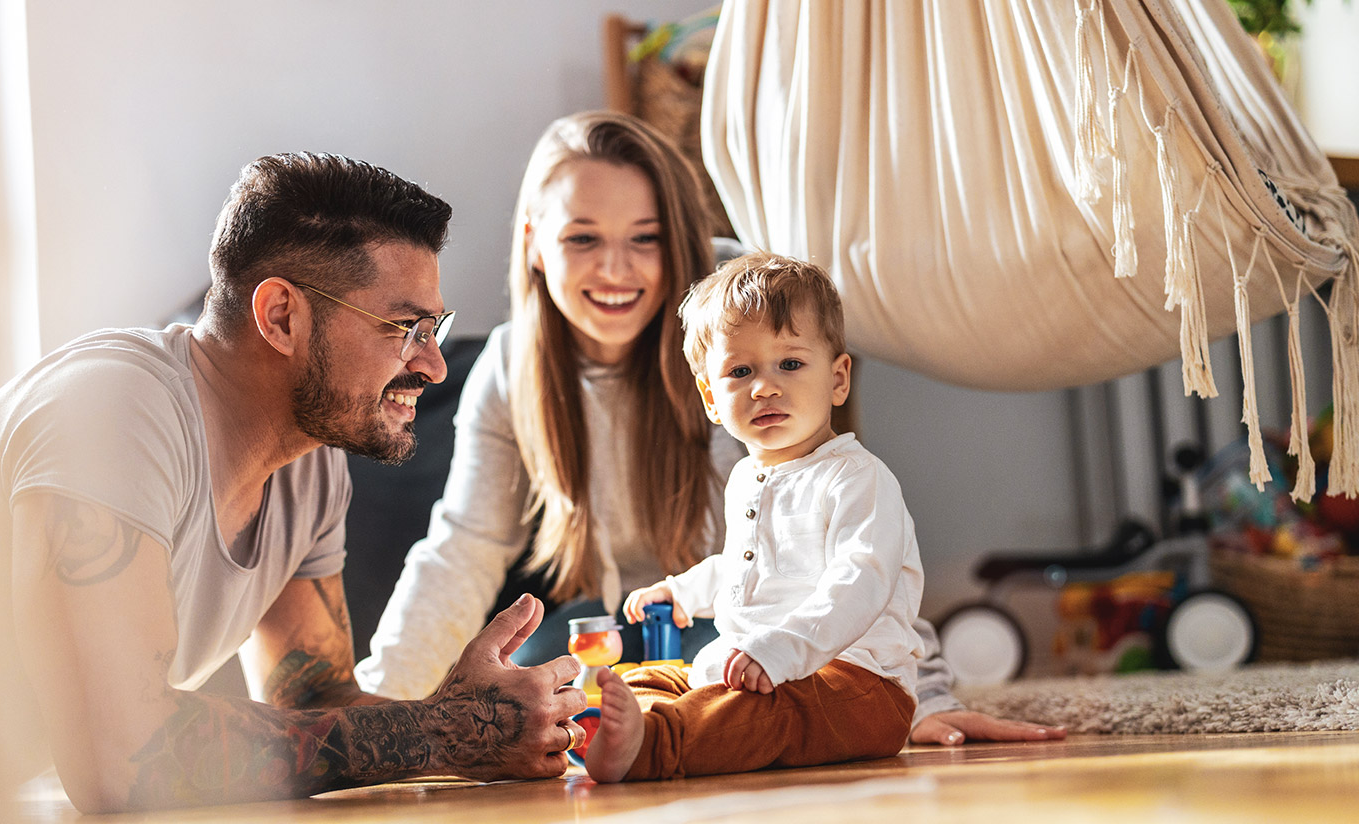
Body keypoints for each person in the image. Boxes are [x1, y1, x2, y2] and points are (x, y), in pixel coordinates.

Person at [355, 111, 1065, 748]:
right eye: (582, 238)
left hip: (746, 621)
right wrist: (378, 704)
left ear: (682, 241)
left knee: (725, 690)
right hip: (622, 613)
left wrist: (922, 695)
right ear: (537, 244)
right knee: (527, 691)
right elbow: (465, 547)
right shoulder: (513, 364)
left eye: (645, 239)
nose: (614, 269)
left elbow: (844, 541)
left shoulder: (734, 350)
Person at [0, 153, 588, 813]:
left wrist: (487, 727)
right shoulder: (113, 409)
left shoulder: (309, 457)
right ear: (282, 316)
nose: (433, 366)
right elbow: (121, 761)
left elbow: (315, 702)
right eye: (405, 329)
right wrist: (443, 730)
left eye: (434, 330)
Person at [586, 252, 919, 781]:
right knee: (660, 676)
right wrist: (682, 593)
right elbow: (743, 567)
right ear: (711, 399)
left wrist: (783, 650)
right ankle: (627, 724)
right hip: (762, 667)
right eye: (740, 372)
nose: (764, 387)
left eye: (790, 364)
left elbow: (861, 580)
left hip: (856, 684)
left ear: (837, 379)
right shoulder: (747, 477)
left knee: (766, 712)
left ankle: (653, 745)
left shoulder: (857, 477)